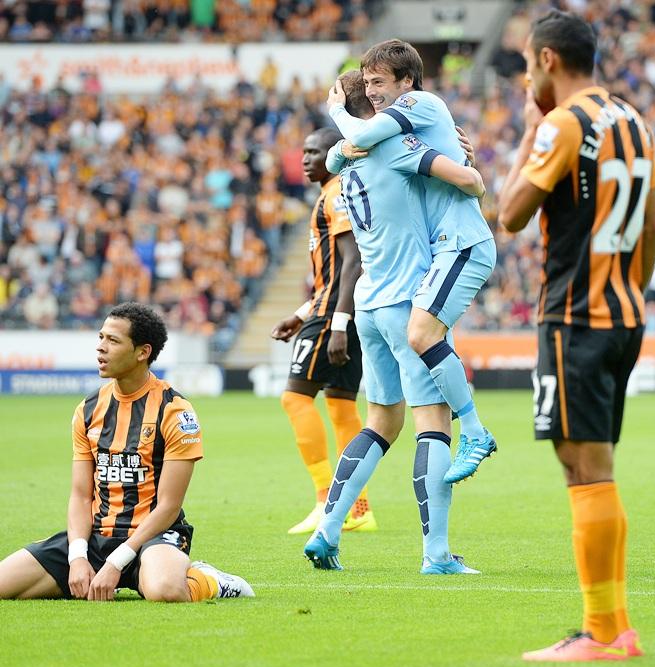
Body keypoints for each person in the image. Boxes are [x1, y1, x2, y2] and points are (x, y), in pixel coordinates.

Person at [497, 10, 655, 661]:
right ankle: (614, 627)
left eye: (525, 64)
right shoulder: (635, 120)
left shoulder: (562, 124)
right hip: (622, 315)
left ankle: (600, 633)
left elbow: (510, 214)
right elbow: (651, 226)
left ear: (546, 60)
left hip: (575, 317)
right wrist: (629, 292)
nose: (524, 77)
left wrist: (530, 133)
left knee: (584, 469)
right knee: (596, 468)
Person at [304, 70, 485, 574]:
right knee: (434, 424)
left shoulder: (346, 159)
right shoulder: (398, 148)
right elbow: (463, 183)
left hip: (369, 303)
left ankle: (328, 529)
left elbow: (351, 149)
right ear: (382, 104)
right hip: (409, 303)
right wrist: (464, 159)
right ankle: (437, 555)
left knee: (380, 423)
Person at [0, 302, 254, 602]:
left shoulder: (174, 411)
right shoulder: (88, 409)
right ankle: (93, 575)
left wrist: (116, 562)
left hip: (155, 537)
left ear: (142, 352)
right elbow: (81, 496)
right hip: (97, 537)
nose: (100, 348)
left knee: (164, 591)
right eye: (101, 338)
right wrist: (78, 557)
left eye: (113, 340)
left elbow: (169, 506)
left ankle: (209, 580)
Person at [327, 39, 498, 484]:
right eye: (367, 83)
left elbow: (469, 180)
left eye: (379, 81)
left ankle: (475, 430)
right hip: (438, 251)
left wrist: (337, 116)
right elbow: (336, 156)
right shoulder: (399, 139)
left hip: (459, 243)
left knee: (420, 339)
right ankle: (474, 433)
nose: (374, 90)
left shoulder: (418, 104)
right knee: (421, 346)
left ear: (407, 82)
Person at [271, 128, 376, 535]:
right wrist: (301, 314)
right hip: (332, 310)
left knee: (294, 400)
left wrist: (337, 323)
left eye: (314, 151)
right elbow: (332, 273)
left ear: (334, 154)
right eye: (304, 151)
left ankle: (324, 500)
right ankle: (358, 508)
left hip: (336, 315)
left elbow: (353, 262)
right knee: (341, 407)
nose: (305, 158)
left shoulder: (337, 193)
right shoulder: (332, 193)